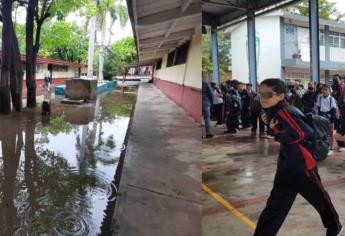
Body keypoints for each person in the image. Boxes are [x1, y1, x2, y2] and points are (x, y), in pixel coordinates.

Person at [254, 78, 342, 236]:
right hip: (287, 165)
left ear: (281, 96)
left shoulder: (285, 111)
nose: (263, 98)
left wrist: (275, 131)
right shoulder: (276, 111)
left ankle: (335, 226)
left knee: (319, 198)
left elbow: (304, 132)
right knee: (275, 206)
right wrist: (272, 126)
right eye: (261, 94)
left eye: (268, 94)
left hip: (301, 165)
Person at [316, 85, 338, 154]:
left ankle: (330, 148)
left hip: (329, 117)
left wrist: (332, 121)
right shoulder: (319, 98)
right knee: (322, 133)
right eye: (323, 90)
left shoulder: (332, 99)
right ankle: (324, 147)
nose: (324, 91)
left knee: (330, 133)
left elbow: (333, 111)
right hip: (321, 117)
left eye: (326, 90)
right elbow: (318, 108)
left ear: (329, 91)